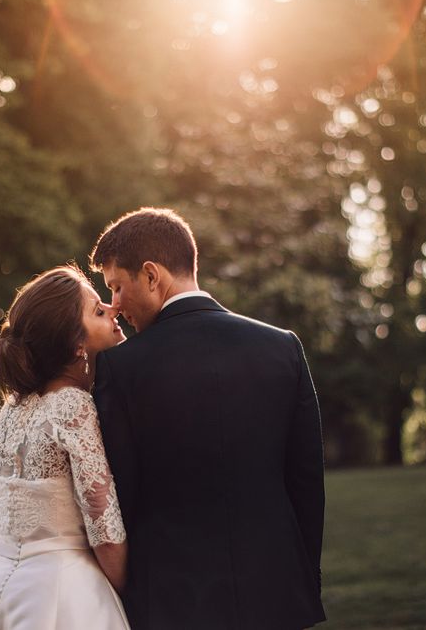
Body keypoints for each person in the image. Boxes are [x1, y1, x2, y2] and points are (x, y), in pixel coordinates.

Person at [90, 208, 326, 630]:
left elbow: (121, 493)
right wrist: (303, 576)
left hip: (170, 599)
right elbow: (306, 480)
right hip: (275, 589)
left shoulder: (119, 368)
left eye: (117, 287)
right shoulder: (281, 347)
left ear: (151, 275)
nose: (116, 306)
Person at [0, 266, 130, 630]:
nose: (114, 310)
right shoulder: (73, 406)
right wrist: (124, 595)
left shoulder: (9, 413)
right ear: (76, 344)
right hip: (63, 590)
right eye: (97, 310)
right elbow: (104, 527)